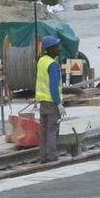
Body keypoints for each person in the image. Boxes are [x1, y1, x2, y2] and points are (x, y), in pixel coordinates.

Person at [36, 35, 63, 164]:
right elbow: (53, 86)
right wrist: (59, 104)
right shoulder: (52, 65)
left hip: (43, 102)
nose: (59, 49)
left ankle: (43, 156)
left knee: (44, 131)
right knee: (53, 130)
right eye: (57, 47)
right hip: (52, 103)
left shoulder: (41, 61)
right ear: (51, 49)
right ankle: (51, 156)